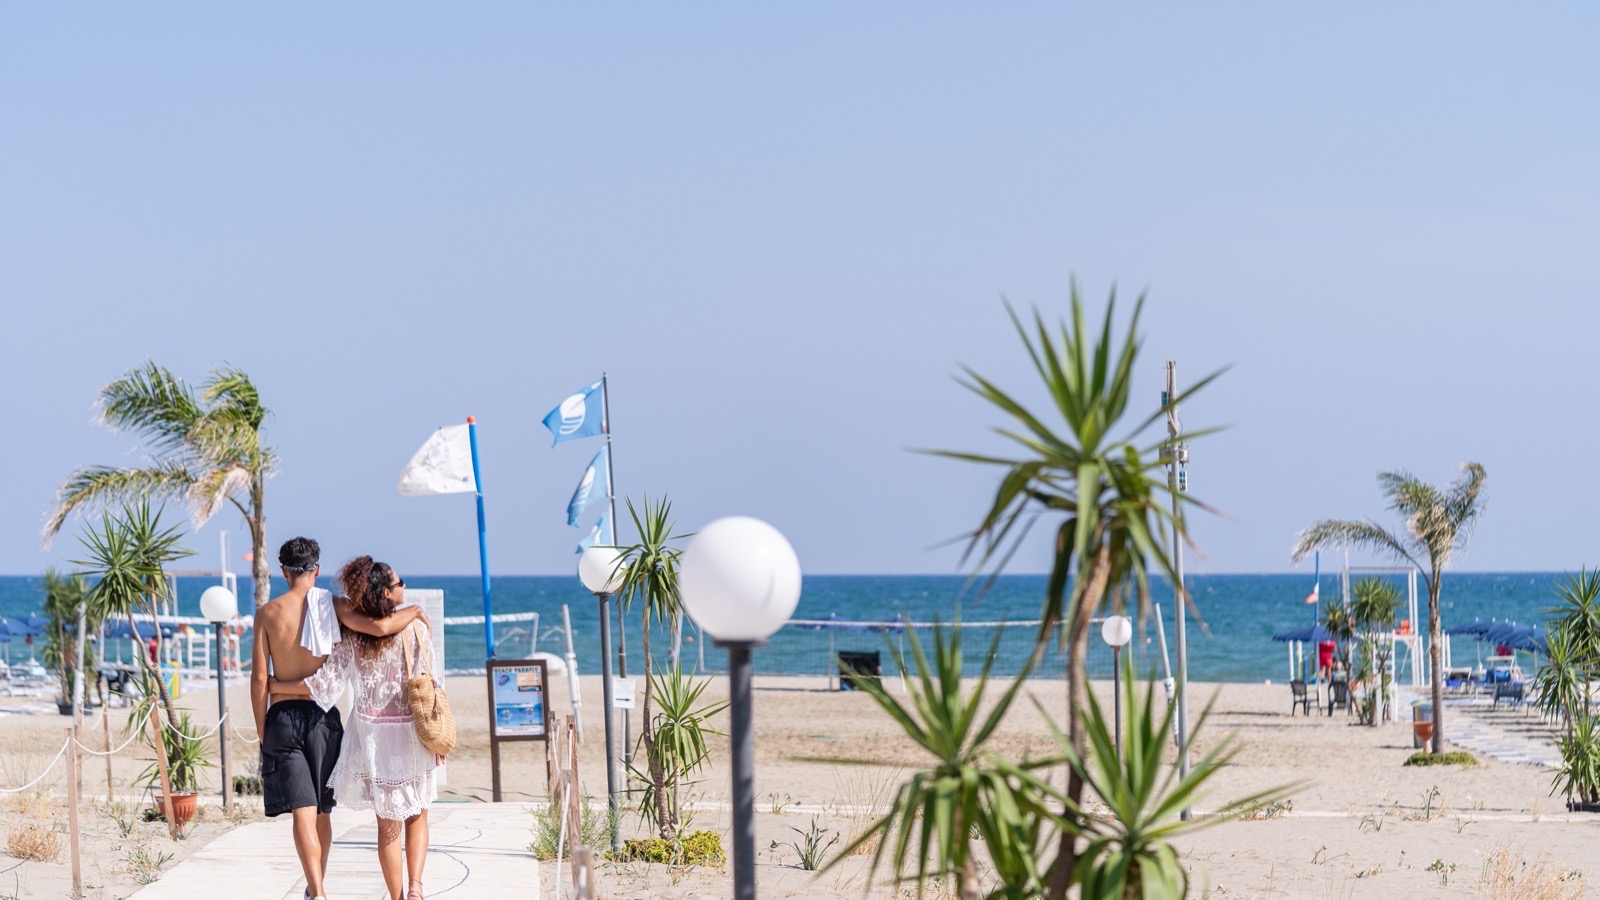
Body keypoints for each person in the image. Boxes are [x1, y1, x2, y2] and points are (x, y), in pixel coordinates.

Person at [250, 538, 426, 900]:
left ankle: (317, 890)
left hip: (281, 715)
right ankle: (326, 889)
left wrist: (261, 727)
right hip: (322, 720)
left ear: (283, 571)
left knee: (302, 811)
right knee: (321, 812)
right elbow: (378, 628)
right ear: (316, 568)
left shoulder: (267, 613)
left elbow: (258, 680)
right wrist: (415, 610)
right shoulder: (331, 606)